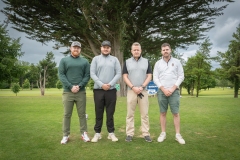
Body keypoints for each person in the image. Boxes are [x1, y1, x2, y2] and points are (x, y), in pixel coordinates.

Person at [58, 41, 90, 144]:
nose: (76, 49)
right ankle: (65, 135)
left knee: (82, 114)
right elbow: (61, 75)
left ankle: (84, 133)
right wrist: (71, 86)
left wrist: (79, 86)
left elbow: (87, 76)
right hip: (68, 92)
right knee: (67, 114)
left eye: (78, 48)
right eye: (74, 47)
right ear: (70, 48)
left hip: (81, 92)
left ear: (80, 49)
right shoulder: (64, 60)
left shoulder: (85, 62)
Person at [153, 43, 185, 144]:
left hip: (174, 91)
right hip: (162, 92)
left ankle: (178, 135)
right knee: (163, 113)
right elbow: (155, 78)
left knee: (175, 113)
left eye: (167, 49)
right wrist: (163, 89)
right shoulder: (158, 63)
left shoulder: (177, 62)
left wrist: (172, 88)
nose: (165, 51)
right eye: (163, 50)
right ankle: (163, 133)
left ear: (170, 50)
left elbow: (181, 76)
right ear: (161, 51)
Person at [90, 40, 121, 142]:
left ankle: (111, 133)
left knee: (110, 113)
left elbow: (118, 73)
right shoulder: (96, 59)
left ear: (110, 49)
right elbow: (92, 74)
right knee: (98, 112)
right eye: (104, 47)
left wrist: (110, 84)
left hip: (111, 90)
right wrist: (101, 84)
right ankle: (97, 133)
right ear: (101, 48)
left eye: (108, 47)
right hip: (98, 90)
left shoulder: (115, 59)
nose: (106, 48)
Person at [122, 42, 152, 142]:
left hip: (143, 91)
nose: (136, 51)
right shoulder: (127, 62)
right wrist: (133, 87)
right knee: (130, 114)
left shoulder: (146, 61)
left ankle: (146, 133)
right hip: (131, 91)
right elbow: (125, 76)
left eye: (138, 50)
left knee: (145, 114)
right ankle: (129, 134)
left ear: (141, 50)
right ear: (131, 51)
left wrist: (142, 86)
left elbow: (149, 76)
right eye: (134, 50)